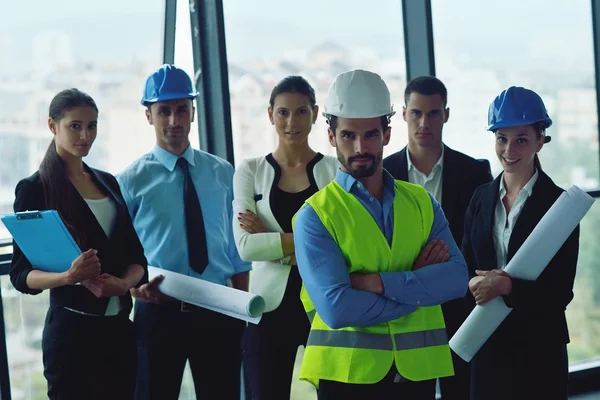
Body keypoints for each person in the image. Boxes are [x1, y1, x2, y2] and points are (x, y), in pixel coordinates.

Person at [292, 69, 469, 400]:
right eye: (348, 136)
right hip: (348, 378)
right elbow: (336, 308)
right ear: (331, 136)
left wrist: (376, 282)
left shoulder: (421, 202)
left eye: (371, 134)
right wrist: (416, 285)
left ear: (387, 134)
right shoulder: (314, 216)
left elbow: (457, 280)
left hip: (418, 375)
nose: (361, 147)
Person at [116, 64, 251, 400]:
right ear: (149, 116)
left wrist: (241, 311)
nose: (174, 121)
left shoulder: (221, 171)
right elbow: (120, 250)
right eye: (164, 111)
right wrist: (134, 290)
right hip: (158, 313)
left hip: (219, 313)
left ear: (193, 112)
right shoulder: (130, 181)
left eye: (181, 110)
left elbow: (235, 250)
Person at [9, 88, 148, 400]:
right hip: (73, 336)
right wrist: (67, 277)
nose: (86, 135)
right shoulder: (34, 189)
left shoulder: (108, 182)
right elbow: (21, 275)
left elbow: (138, 256)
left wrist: (124, 284)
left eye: (92, 125)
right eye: (75, 125)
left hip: (120, 330)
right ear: (52, 125)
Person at [462, 86, 580, 400]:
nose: (509, 149)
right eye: (502, 138)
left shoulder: (560, 206)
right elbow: (465, 263)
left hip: (539, 349)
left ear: (541, 140)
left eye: (522, 139)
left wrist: (507, 287)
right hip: (487, 343)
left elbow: (560, 293)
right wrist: (475, 283)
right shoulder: (481, 198)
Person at [383, 75, 493, 399]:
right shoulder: (382, 174)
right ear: (403, 114)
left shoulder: (475, 172)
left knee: (462, 391)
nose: (423, 123)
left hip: (460, 308)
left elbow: (480, 245)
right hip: (405, 310)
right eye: (416, 113)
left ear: (446, 114)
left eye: (433, 113)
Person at [232, 75, 338, 400]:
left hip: (324, 306)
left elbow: (343, 245)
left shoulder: (335, 172)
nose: (292, 122)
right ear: (270, 115)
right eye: (283, 112)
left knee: (337, 394)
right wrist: (309, 245)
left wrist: (273, 241)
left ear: (316, 113)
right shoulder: (249, 171)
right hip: (268, 309)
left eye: (301, 111)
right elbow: (246, 246)